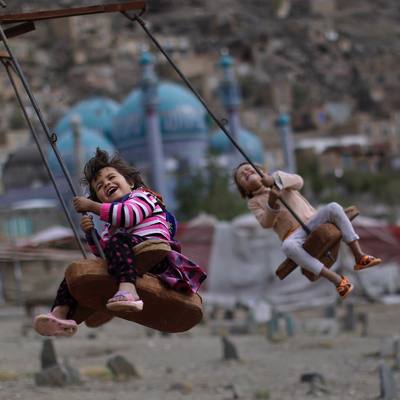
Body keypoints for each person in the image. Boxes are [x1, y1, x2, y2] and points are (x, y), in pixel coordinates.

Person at [33, 148, 207, 336]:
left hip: (153, 252)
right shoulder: (111, 226)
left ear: (130, 182)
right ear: (100, 197)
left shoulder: (143, 197)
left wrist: (92, 207)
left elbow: (129, 216)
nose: (106, 184)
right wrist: (91, 235)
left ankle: (127, 289)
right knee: (72, 275)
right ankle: (60, 314)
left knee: (119, 240)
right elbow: (105, 253)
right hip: (127, 257)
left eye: (111, 177)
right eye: (99, 186)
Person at [233, 162, 382, 299]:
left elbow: (299, 181)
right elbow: (266, 223)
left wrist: (274, 182)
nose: (246, 172)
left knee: (334, 207)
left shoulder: (278, 177)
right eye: (242, 175)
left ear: (262, 171)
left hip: (312, 220)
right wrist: (271, 203)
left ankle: (359, 256)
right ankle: (337, 280)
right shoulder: (253, 202)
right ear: (244, 189)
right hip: (293, 234)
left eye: (249, 169)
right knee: (288, 246)